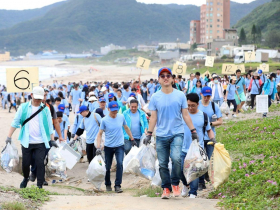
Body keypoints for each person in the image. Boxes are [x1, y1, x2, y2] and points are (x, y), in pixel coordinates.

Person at [144, 67, 197, 199]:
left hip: (177, 133)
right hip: (161, 135)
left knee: (176, 159)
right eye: (163, 76)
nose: (166, 77)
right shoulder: (155, 97)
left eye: (168, 75)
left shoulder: (180, 95)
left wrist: (193, 130)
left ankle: (175, 184)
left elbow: (185, 115)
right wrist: (149, 134)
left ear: (173, 79)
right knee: (162, 163)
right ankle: (166, 188)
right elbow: (153, 117)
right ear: (159, 80)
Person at [6, 86, 58, 189]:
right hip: (27, 141)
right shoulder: (23, 107)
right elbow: (15, 122)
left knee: (40, 163)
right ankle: (25, 178)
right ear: (31, 96)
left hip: (41, 142)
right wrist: (9, 136)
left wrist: (52, 140)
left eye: (40, 98)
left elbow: (49, 125)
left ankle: (39, 185)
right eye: (36, 98)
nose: (38, 100)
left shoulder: (45, 109)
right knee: (26, 164)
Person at [95, 101, 135, 193]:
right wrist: (98, 147)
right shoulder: (104, 120)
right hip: (108, 146)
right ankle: (108, 184)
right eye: (112, 111)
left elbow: (126, 128)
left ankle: (117, 185)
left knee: (120, 164)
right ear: (108, 109)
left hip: (119, 145)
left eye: (116, 111)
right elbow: (100, 133)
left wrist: (132, 139)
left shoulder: (121, 117)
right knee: (107, 166)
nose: (114, 113)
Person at [181, 93, 215, 198]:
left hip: (197, 149)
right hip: (182, 147)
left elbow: (209, 130)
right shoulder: (182, 114)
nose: (190, 108)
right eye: (188, 105)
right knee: (179, 169)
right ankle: (186, 184)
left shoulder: (203, 116)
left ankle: (193, 193)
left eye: (193, 105)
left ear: (198, 104)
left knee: (194, 171)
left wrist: (213, 139)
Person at [198, 86, 223, 190]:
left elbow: (220, 121)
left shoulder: (214, 106)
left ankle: (207, 175)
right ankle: (201, 182)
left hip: (210, 137)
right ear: (201, 94)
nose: (206, 98)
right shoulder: (197, 105)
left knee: (209, 159)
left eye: (208, 96)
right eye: (205, 96)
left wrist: (209, 123)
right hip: (199, 137)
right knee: (200, 159)